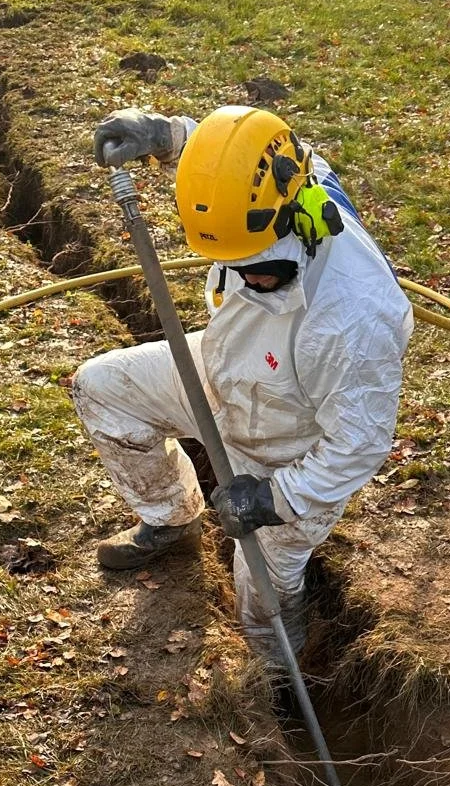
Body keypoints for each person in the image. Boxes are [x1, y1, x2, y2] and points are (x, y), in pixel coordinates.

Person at [73, 104, 413, 666]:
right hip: (228, 370)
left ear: (296, 224)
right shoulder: (292, 177)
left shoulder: (351, 318)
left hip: (289, 451)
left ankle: (277, 677)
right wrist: (169, 136)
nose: (246, 276)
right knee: (101, 390)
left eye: (260, 268)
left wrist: (272, 499)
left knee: (262, 597)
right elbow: (240, 158)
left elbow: (359, 445)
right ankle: (169, 518)